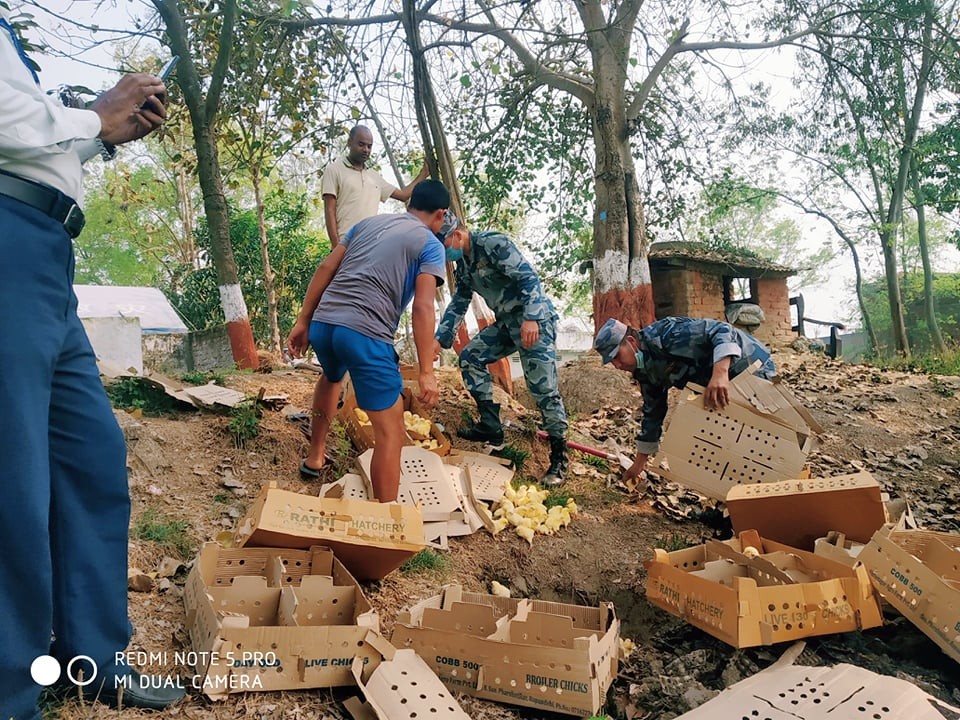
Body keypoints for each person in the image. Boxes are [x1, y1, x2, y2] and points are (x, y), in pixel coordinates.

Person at [0, 10, 185, 718]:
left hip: (45, 254)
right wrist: (92, 116)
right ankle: (12, 689)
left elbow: (30, 141)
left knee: (90, 454)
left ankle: (92, 659)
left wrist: (103, 139)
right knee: (13, 480)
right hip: (7, 245)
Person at [286, 180, 450, 501]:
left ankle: (315, 456)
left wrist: (303, 319)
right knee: (390, 433)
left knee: (331, 377)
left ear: (409, 204)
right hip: (364, 333)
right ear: (441, 215)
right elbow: (423, 306)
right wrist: (426, 371)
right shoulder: (430, 244)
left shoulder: (367, 224)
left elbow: (326, 266)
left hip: (325, 323)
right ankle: (386, 520)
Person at [433, 213, 569, 486]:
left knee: (542, 389)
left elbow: (528, 278)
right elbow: (459, 301)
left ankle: (559, 458)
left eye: (443, 243)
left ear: (457, 235)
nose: (444, 251)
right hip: (508, 324)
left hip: (534, 323)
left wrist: (531, 316)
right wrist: (441, 339)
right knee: (471, 357)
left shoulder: (493, 244)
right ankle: (491, 426)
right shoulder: (464, 265)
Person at [593, 316, 776, 485]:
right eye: (611, 361)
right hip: (720, 391)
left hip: (751, 368)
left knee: (756, 444)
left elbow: (722, 330)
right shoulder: (644, 371)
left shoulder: (667, 335)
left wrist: (720, 373)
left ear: (631, 342)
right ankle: (728, 508)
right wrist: (639, 464)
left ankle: (770, 495)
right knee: (720, 444)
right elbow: (653, 414)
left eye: (616, 356)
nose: (617, 365)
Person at [321, 124, 429, 249]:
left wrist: (424, 174)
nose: (366, 150)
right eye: (361, 144)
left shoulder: (374, 176)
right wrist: (336, 248)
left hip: (369, 248)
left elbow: (404, 195)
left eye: (369, 146)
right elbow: (329, 211)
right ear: (349, 143)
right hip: (345, 246)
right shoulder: (334, 170)